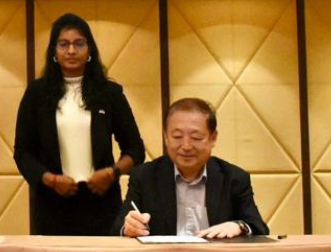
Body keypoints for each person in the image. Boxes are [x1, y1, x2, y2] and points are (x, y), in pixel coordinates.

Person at [14, 13, 145, 235]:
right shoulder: (37, 93)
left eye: (79, 44)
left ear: (90, 50)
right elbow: (23, 153)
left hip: (101, 200)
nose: (71, 51)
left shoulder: (109, 93)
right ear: (54, 52)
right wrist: (51, 180)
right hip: (52, 202)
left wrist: (111, 173)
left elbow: (135, 149)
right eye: (63, 44)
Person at [114, 97, 268, 239]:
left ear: (212, 138)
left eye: (196, 138)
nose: (186, 146)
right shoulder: (144, 176)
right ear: (166, 137)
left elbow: (258, 227)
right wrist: (128, 227)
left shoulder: (234, 178)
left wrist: (238, 226)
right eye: (177, 137)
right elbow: (117, 228)